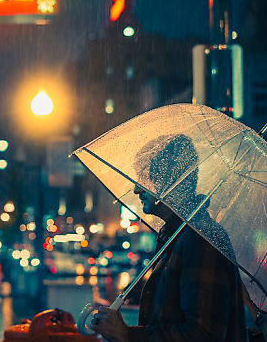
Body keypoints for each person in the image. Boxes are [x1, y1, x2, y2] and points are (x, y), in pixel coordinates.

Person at [90, 134, 248, 342]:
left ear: (171, 181)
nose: (137, 189)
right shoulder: (176, 236)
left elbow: (203, 335)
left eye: (147, 178)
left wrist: (128, 335)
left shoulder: (200, 240)